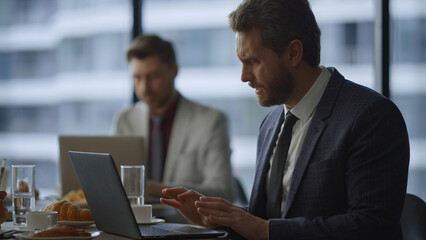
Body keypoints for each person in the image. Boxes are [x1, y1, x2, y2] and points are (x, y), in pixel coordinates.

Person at [160, 0, 410, 239]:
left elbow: (372, 227)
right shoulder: (270, 123)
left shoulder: (370, 116)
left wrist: (263, 230)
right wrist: (219, 217)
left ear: (293, 52)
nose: (244, 76)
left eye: (253, 62)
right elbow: (273, 218)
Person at [112, 35, 233, 202]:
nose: (144, 88)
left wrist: (159, 190)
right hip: (133, 223)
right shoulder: (125, 120)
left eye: (153, 76)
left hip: (186, 225)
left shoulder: (211, 121)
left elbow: (223, 192)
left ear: (174, 70)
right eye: (137, 78)